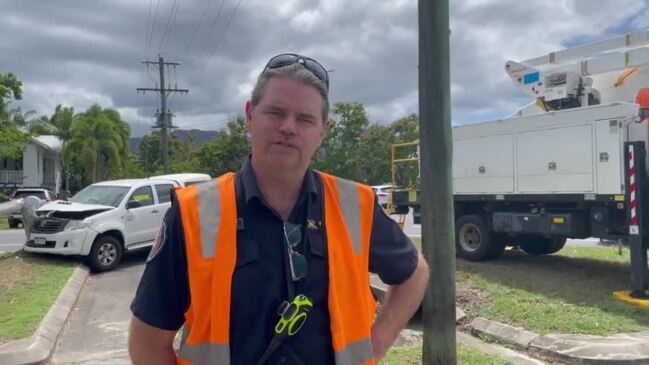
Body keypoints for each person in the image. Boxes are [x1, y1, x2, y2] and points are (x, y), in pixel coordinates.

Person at [128, 53, 429, 365]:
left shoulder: (357, 206)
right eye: (276, 112)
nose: (288, 127)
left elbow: (414, 273)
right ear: (250, 115)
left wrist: (375, 346)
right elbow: (147, 344)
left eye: (305, 119)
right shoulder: (194, 214)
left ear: (323, 131)